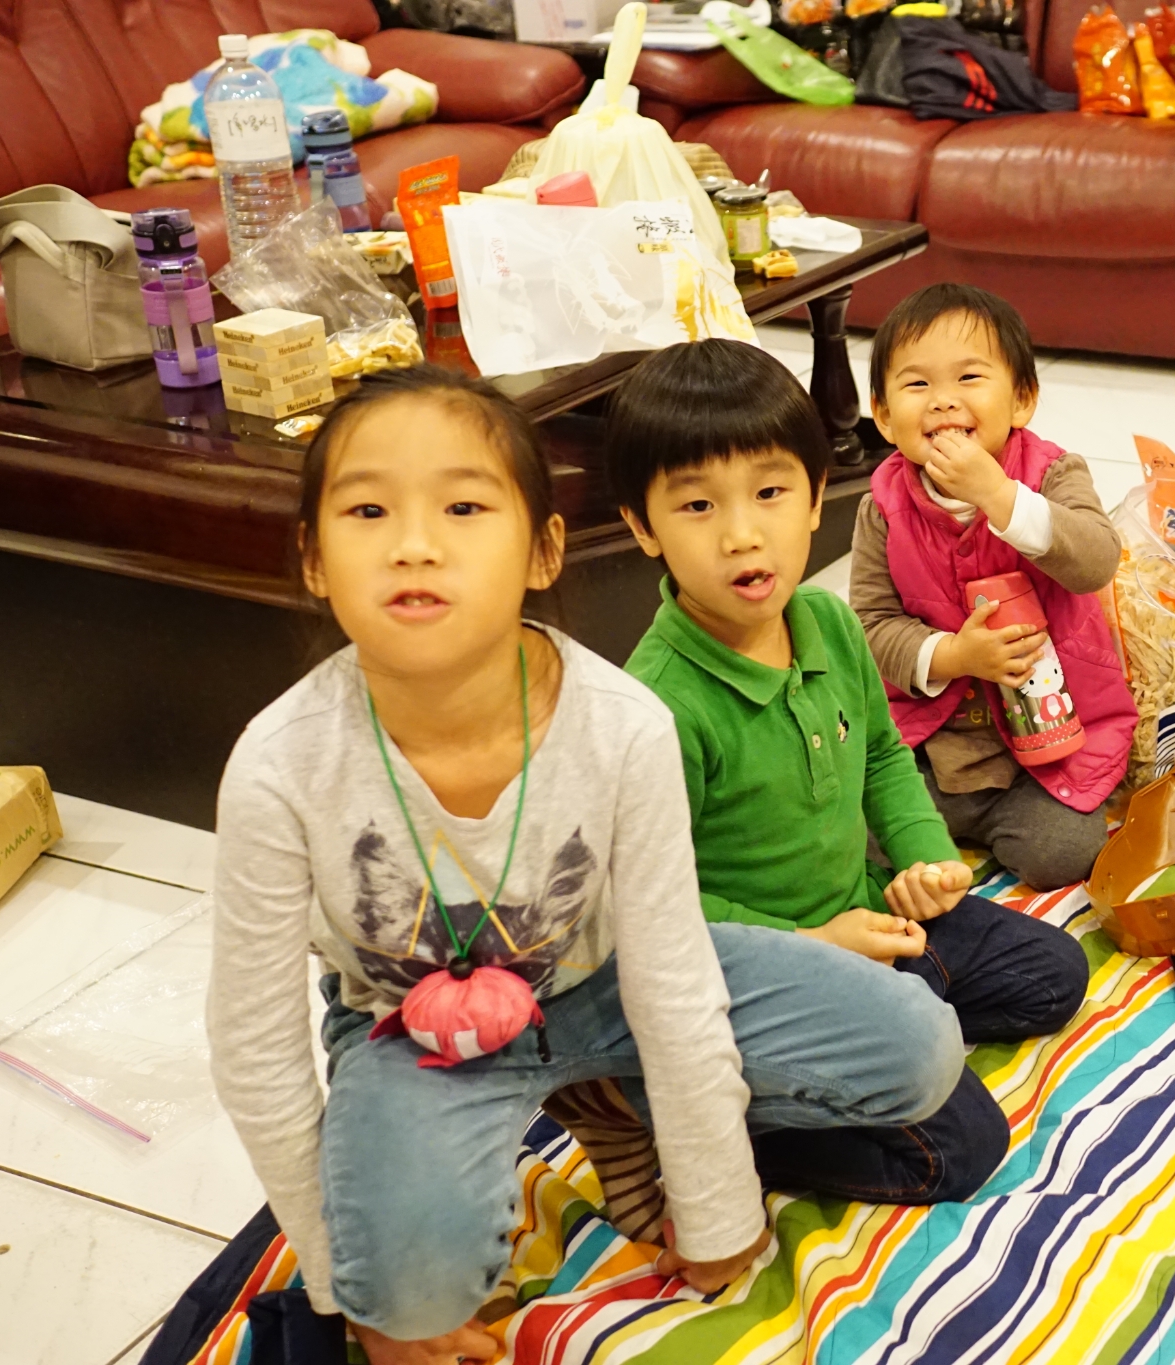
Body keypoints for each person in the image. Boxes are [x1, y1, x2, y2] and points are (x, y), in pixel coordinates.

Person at [207, 367, 768, 1365]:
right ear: (314, 560)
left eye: (463, 507)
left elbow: (673, 981)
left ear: (544, 550)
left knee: (909, 1054)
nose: (414, 545)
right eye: (369, 510)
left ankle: (604, 1101)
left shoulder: (624, 726)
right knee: (408, 1303)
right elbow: (255, 1049)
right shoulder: (278, 764)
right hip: (408, 1030)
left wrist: (720, 1208)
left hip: (601, 989)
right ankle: (543, 1119)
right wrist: (348, 1285)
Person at [596, 337, 1091, 1208]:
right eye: (698, 505)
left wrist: (925, 855)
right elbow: (652, 913)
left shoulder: (825, 620)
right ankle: (716, 1123)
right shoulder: (656, 710)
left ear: (818, 495)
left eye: (770, 493)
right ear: (642, 527)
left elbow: (883, 757)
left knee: (1056, 974)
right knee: (961, 1148)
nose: (743, 533)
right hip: (759, 975)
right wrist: (818, 944)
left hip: (866, 910)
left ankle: (897, 1010)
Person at [851, 283, 1138, 890]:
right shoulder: (883, 505)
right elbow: (870, 625)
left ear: (1022, 400)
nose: (942, 401)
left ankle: (984, 822)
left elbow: (1096, 561)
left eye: (969, 378)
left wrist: (999, 496)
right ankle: (933, 822)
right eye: (917, 384)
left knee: (1062, 853)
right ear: (883, 416)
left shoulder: (1053, 473)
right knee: (856, 832)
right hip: (933, 743)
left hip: (1049, 745)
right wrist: (954, 655)